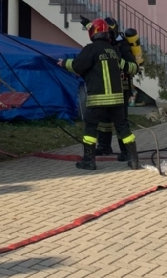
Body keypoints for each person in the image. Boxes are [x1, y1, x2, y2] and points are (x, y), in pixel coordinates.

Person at [58, 18, 140, 171]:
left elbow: (78, 66)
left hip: (98, 98)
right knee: (123, 127)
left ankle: (88, 161)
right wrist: (87, 23)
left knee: (90, 127)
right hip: (117, 99)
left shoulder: (91, 49)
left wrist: (63, 63)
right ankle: (133, 160)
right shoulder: (113, 50)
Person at [95, 16, 139, 160]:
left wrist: (118, 60)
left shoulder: (122, 45)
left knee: (121, 121)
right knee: (104, 120)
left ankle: (126, 152)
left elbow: (133, 67)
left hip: (122, 88)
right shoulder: (104, 45)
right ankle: (104, 146)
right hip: (106, 87)